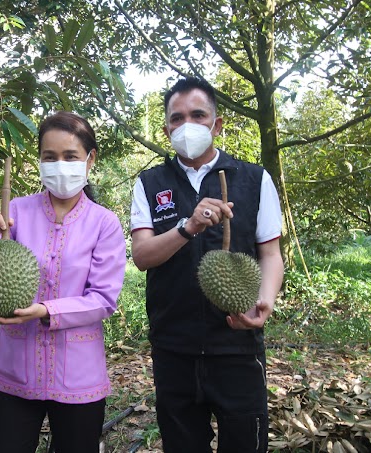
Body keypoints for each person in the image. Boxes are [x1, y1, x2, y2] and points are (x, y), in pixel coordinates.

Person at [130, 77, 284, 452]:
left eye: (198, 115)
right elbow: (141, 256)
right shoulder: (150, 182)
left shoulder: (253, 179)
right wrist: (188, 227)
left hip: (237, 346)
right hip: (174, 347)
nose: (187, 125)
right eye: (177, 118)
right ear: (167, 129)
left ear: (216, 125)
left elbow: (270, 253)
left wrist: (264, 302)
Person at [0, 111, 126, 453]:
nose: (60, 165)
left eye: (70, 156)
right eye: (49, 157)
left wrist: (44, 310)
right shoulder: (15, 211)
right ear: (39, 161)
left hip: (78, 377)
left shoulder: (105, 223)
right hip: (13, 372)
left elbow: (103, 299)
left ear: (90, 160)